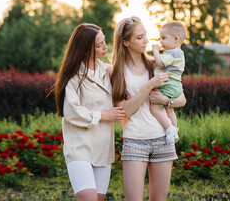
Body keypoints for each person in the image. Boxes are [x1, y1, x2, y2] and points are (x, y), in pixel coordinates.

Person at [110, 16, 186, 200]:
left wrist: (165, 100)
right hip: (135, 141)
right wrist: (149, 86)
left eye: (145, 36)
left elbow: (181, 99)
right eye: (139, 37)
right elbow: (124, 111)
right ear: (125, 42)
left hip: (162, 139)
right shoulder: (117, 71)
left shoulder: (157, 64)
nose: (146, 41)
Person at [50, 23, 125, 201]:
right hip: (79, 147)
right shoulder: (73, 76)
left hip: (103, 147)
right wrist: (104, 115)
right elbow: (71, 111)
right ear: (84, 50)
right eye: (99, 45)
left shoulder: (108, 70)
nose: (105, 47)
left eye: (104, 42)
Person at [151, 21, 186, 143]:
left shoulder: (173, 53)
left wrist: (155, 50)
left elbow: (160, 62)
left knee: (155, 107)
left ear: (176, 39)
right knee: (169, 109)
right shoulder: (177, 53)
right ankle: (174, 131)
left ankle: (169, 129)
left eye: (164, 38)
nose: (161, 41)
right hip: (175, 85)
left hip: (168, 84)